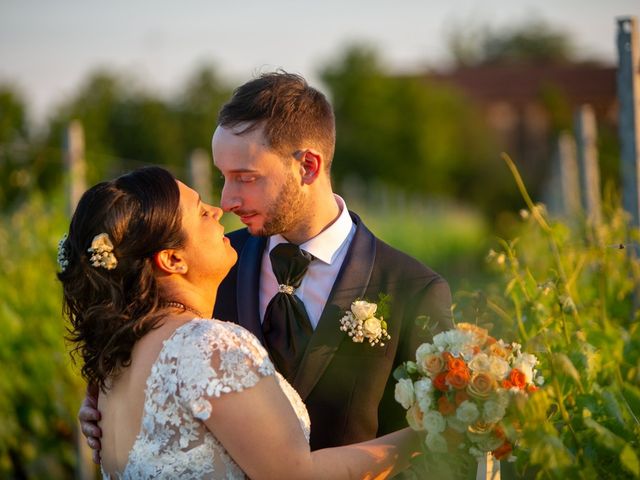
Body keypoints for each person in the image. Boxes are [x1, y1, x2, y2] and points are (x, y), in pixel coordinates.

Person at [80, 72, 453, 456]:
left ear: (307, 166)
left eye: (245, 178)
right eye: (223, 177)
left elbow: (436, 441)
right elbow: (149, 344)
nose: (227, 201)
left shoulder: (412, 289)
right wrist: (109, 397)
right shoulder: (211, 264)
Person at [59, 165, 421, 478]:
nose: (219, 210)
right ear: (172, 259)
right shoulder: (206, 345)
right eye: (201, 212)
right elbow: (296, 476)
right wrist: (424, 436)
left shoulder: (114, 366)